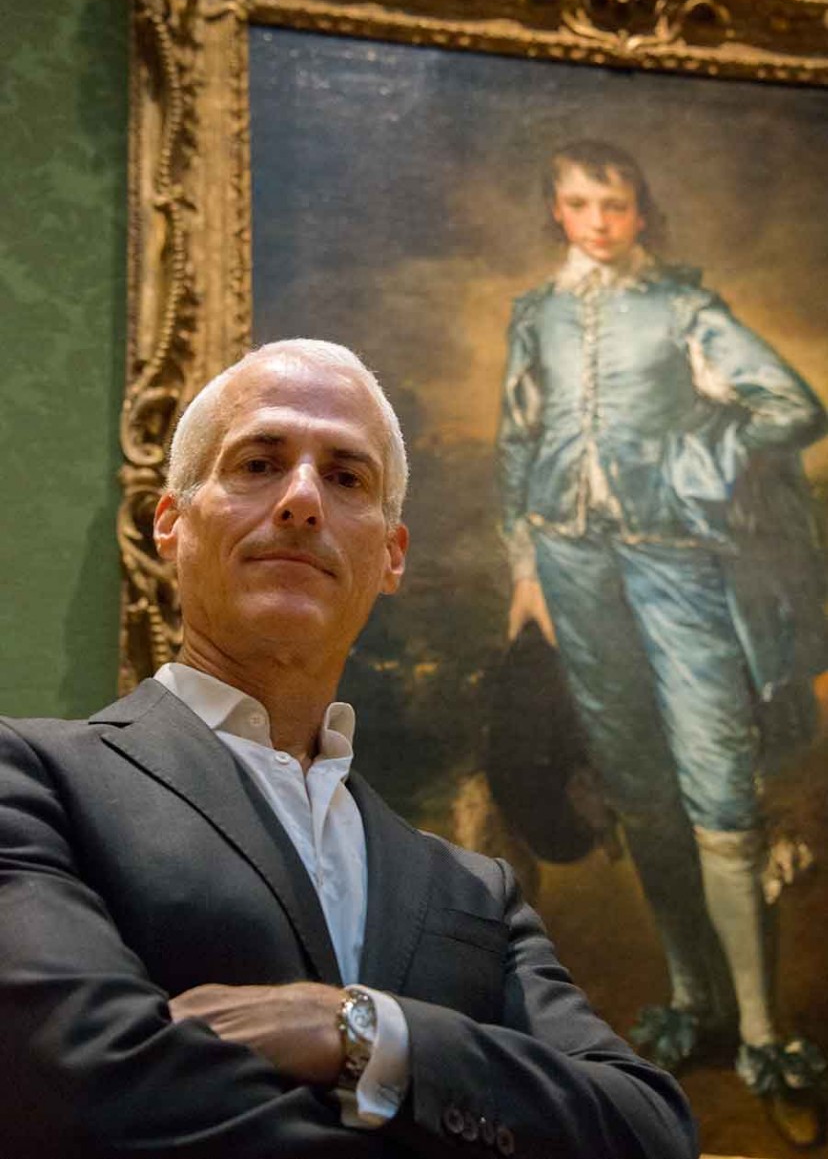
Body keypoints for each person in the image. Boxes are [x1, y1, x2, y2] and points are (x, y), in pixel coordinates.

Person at [0, 339, 695, 1159]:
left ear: (390, 555)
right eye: (258, 463)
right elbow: (83, 1091)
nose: (300, 500)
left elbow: (648, 1129)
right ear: (171, 524)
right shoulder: (33, 782)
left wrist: (361, 1031)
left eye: (346, 477)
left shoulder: (478, 893)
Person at [497, 140, 828, 1144]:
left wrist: (700, 455)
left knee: (717, 786)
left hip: (678, 563)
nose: (598, 220)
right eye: (581, 202)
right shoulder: (537, 314)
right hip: (571, 567)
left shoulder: (683, 309)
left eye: (617, 204)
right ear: (557, 210)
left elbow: (793, 406)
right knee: (638, 786)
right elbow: (518, 441)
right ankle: (695, 1001)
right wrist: (523, 570)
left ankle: (764, 1032)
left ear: (642, 214)